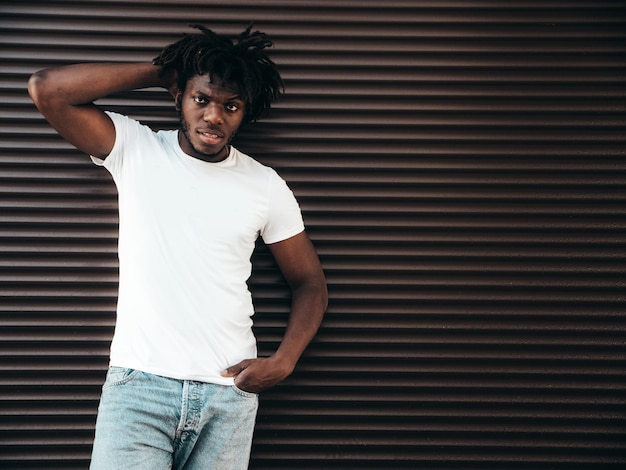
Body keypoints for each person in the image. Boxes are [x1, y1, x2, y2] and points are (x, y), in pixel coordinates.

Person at [28, 24, 328, 470]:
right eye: (201, 99)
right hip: (139, 389)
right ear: (179, 98)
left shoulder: (265, 185)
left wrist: (284, 361)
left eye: (231, 105)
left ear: (245, 112)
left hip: (228, 396)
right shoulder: (137, 149)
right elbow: (47, 90)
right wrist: (165, 70)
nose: (214, 116)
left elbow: (309, 283)